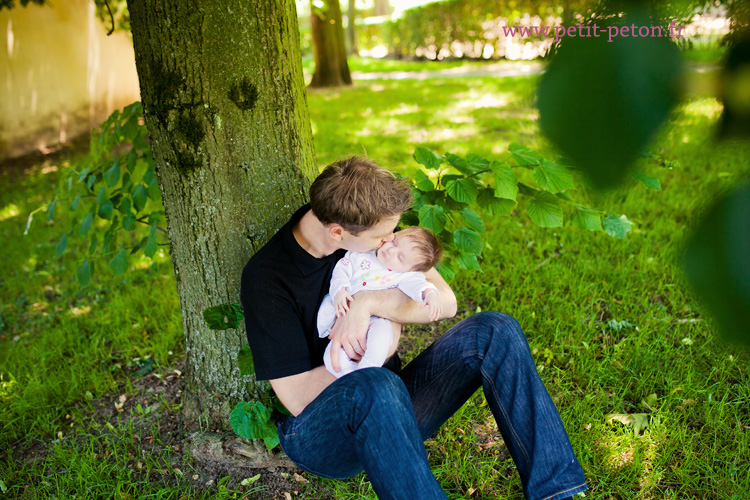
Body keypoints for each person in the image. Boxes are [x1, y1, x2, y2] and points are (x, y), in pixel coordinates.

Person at [240, 156, 587, 500]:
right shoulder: (268, 278)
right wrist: (381, 347)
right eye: (384, 235)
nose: (391, 240)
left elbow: (445, 301)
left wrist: (370, 304)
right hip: (324, 434)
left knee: (495, 329)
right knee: (375, 384)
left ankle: (556, 492)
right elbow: (300, 398)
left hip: (394, 401)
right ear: (337, 233)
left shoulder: (359, 217)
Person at [318, 226, 443, 378]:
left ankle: (367, 369)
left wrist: (430, 294)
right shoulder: (361, 254)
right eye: (395, 242)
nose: (391, 251)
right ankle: (346, 374)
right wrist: (339, 291)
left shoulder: (404, 276)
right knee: (331, 357)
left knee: (381, 338)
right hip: (344, 311)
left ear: (410, 269)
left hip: (378, 318)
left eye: (400, 258)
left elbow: (420, 285)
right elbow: (341, 271)